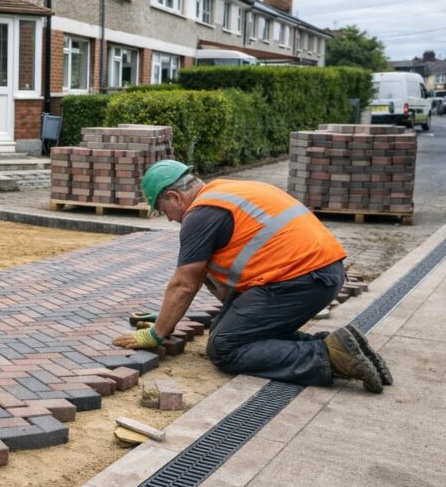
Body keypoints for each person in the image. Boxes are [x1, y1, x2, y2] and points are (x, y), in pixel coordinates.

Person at [113, 160, 392, 393]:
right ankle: (344, 345)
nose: (169, 219)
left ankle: (328, 357)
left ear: (174, 196)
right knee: (226, 325)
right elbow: (225, 294)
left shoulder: (200, 215)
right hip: (321, 272)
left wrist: (157, 333)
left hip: (302, 280)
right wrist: (167, 315)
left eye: (164, 211)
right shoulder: (226, 191)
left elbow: (184, 284)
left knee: (224, 348)